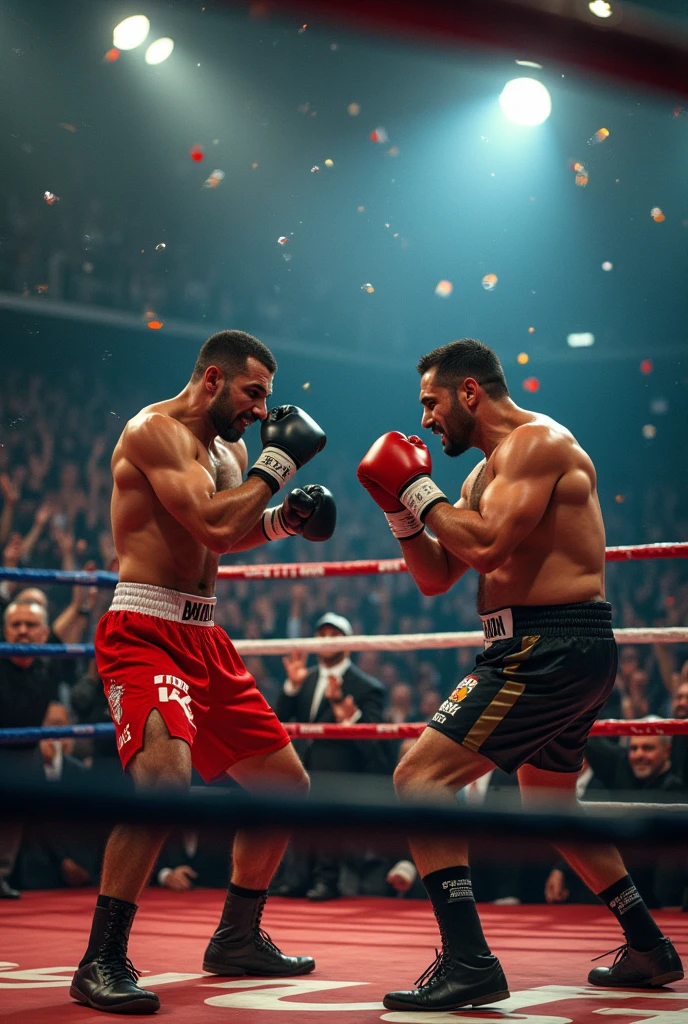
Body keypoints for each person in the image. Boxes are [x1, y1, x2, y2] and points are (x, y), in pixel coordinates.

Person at [357, 338, 684, 1011]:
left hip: (551, 645)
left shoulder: (539, 445)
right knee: (551, 807)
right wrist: (398, 510)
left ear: (469, 391)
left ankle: (468, 960)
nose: (424, 419)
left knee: (417, 778)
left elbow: (487, 545)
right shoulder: (481, 477)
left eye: (431, 401)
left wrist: (418, 489)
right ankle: (649, 945)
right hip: (537, 647)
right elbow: (437, 576)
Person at [71, 329, 335, 1015]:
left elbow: (227, 526)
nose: (262, 410)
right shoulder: (154, 431)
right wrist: (277, 466)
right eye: (254, 393)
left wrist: (282, 519)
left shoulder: (230, 450)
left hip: (203, 634)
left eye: (268, 398)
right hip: (145, 628)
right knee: (163, 782)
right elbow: (213, 526)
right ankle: (100, 958)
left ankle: (237, 937)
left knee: (284, 785)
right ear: (213, 380)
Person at [275, 612, 388, 900]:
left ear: (348, 642)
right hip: (303, 765)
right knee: (299, 823)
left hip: (341, 771)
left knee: (328, 825)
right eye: (321, 634)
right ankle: (296, 879)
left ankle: (328, 881)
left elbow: (375, 744)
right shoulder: (306, 678)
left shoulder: (367, 687)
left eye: (334, 635)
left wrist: (349, 716)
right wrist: (292, 687)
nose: (326, 640)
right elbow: (278, 720)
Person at [0, 600, 65, 898]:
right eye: (16, 625)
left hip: (26, 749)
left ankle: (1, 876)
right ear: (4, 630)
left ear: (43, 634)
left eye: (30, 625)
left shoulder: (48, 663)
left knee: (14, 820)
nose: (23, 631)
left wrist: (80, 606)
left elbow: (68, 630)